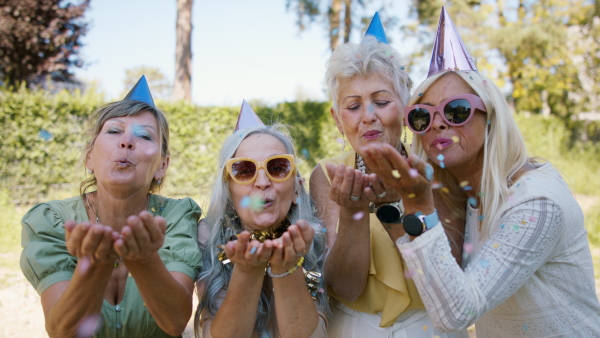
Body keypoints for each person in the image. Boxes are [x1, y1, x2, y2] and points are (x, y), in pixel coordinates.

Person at [361, 7, 600, 337]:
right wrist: (393, 210)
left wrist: (418, 208)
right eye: (421, 116)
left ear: (492, 117)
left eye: (456, 110)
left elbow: (456, 313)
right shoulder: (472, 196)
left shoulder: (537, 203)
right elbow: (439, 287)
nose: (439, 123)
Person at [310, 12, 467, 337]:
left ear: (407, 105)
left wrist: (397, 208)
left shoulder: (438, 169)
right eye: (353, 107)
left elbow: (448, 281)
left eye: (381, 101)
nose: (368, 117)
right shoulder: (327, 176)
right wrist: (352, 212)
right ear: (338, 120)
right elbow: (344, 288)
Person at [20, 76, 202, 337]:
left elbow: (174, 322)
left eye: (144, 136)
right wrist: (95, 267)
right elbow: (62, 330)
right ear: (90, 157)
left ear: (162, 165)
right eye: (114, 131)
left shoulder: (177, 216)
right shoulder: (52, 220)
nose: (126, 142)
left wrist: (143, 258)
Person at [195, 101, 328, 337]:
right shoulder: (208, 237)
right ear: (228, 191)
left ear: (297, 189)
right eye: (244, 170)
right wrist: (247, 271)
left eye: (277, 167)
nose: (262, 182)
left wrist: (287, 265)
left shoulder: (312, 238)